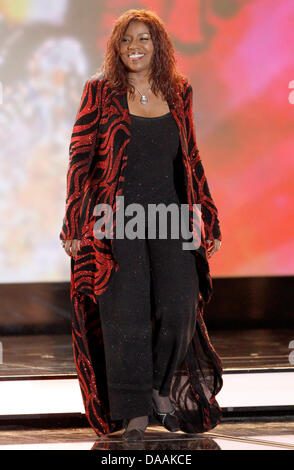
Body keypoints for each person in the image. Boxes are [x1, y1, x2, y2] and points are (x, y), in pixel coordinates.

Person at [60, 9, 223, 442]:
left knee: (179, 302)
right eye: (127, 40)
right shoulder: (100, 92)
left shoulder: (178, 91)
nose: (135, 47)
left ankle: (160, 389)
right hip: (115, 218)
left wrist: (207, 214)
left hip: (171, 216)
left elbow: (191, 158)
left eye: (144, 39)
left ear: (158, 46)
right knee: (124, 312)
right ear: (117, 47)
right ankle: (133, 410)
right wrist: (75, 222)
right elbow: (79, 160)